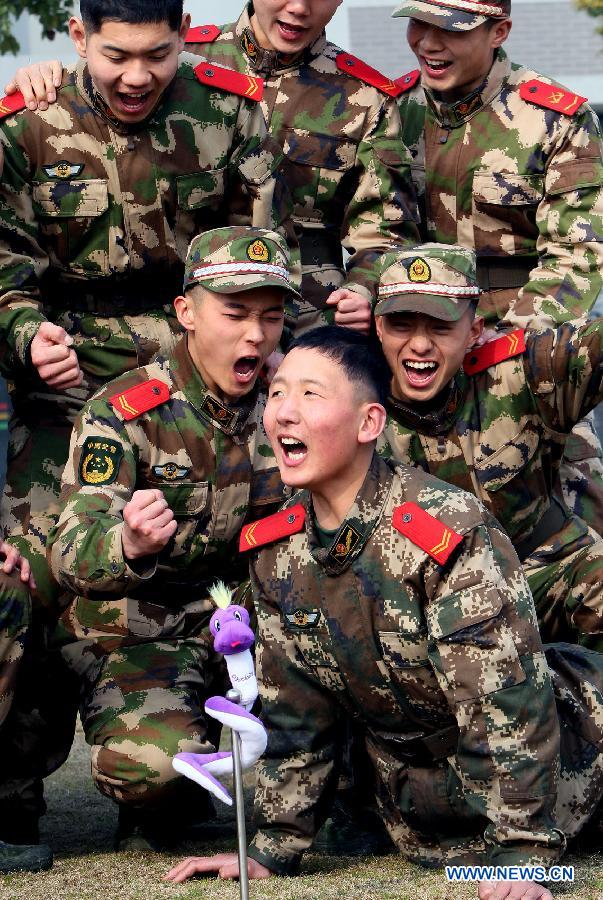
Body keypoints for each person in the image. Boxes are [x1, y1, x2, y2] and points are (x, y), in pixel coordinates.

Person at [0, 0, 295, 869]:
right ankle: (12, 800)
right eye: (117, 56)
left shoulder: (233, 110)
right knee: (37, 575)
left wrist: (267, 348)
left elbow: (264, 255)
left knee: (211, 559)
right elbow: (5, 266)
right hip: (66, 388)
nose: (137, 77)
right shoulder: (30, 126)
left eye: (158, 57)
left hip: (207, 367)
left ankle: (167, 768)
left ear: (186, 38)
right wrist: (27, 337)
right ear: (80, 38)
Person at [164, 326, 603, 900]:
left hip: (578, 750)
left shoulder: (444, 532)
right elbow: (296, 715)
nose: (284, 414)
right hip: (422, 794)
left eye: (311, 395)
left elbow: (505, 698)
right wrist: (270, 847)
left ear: (369, 423)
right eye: (277, 394)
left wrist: (524, 855)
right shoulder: (277, 550)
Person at [41, 225, 298, 852]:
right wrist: (127, 545)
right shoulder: (126, 411)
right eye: (234, 313)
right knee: (155, 766)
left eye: (271, 317)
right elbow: (71, 548)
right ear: (185, 313)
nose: (256, 335)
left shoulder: (292, 404)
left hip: (263, 635)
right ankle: (170, 797)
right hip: (149, 639)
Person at [8, 0, 421, 337]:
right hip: (170, 322)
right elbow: (105, 68)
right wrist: (43, 76)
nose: (298, 7)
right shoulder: (180, 61)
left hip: (306, 315)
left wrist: (363, 288)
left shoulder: (365, 98)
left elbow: (386, 231)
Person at [390, 0, 603, 537]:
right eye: (420, 25)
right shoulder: (391, 110)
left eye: (451, 30)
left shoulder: (556, 120)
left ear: (499, 31)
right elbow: (374, 228)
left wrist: (507, 350)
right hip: (415, 345)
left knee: (576, 512)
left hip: (525, 352)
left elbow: (577, 253)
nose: (428, 44)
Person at [376, 243, 603, 650]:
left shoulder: (520, 373)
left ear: (474, 332)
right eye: (401, 325)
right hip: (436, 615)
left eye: (440, 327)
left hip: (543, 575)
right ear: (378, 327)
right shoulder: (353, 410)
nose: (420, 345)